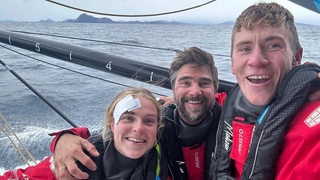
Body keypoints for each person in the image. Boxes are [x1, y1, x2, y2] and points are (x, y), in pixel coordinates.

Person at [51, 46, 226, 180]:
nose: (195, 91)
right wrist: (65, 138)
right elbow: (110, 137)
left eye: (204, 83)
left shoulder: (232, 121)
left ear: (215, 88)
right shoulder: (155, 129)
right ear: (173, 88)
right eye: (185, 83)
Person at [210, 2, 320, 180]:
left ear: (296, 58)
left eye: (273, 46)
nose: (256, 60)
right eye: (245, 49)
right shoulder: (232, 105)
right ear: (232, 63)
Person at [1, 87, 168, 180]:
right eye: (128, 119)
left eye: (149, 121)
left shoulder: (165, 163)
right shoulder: (72, 164)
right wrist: (65, 138)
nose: (138, 128)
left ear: (157, 129)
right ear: (112, 124)